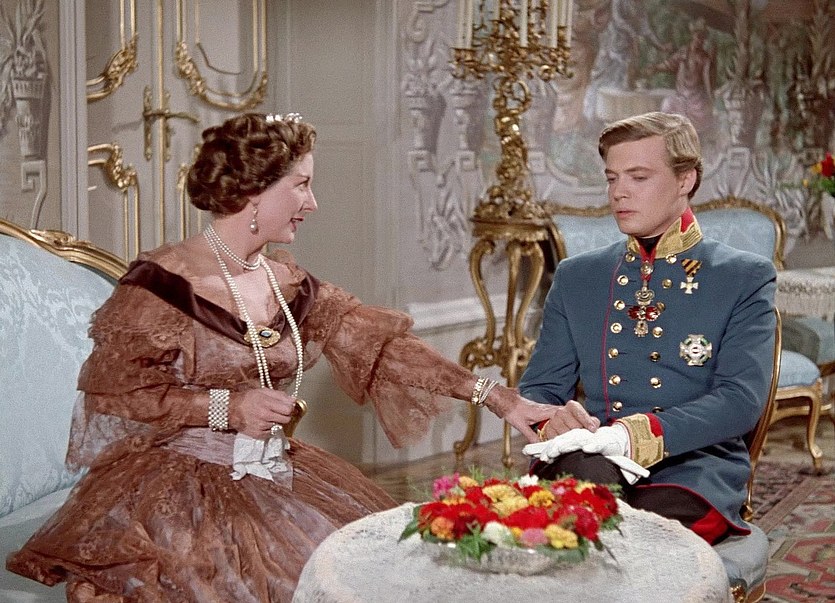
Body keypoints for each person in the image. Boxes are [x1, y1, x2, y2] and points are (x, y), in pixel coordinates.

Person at [6, 112, 557, 602]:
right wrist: (227, 408)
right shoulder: (162, 285)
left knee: (377, 566)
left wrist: (500, 399)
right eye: (302, 185)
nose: (312, 203)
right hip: (177, 489)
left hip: (276, 467)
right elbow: (116, 395)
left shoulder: (285, 281)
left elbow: (383, 348)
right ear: (255, 191)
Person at [520, 111, 777, 544]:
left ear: (685, 180)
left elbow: (739, 401)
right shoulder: (577, 276)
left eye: (638, 177)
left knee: (642, 537)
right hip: (591, 462)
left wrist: (635, 436)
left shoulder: (742, 276)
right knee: (578, 508)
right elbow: (541, 389)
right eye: (612, 178)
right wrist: (555, 421)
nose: (618, 192)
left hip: (693, 469)